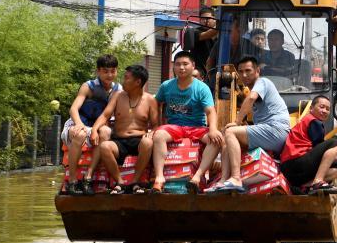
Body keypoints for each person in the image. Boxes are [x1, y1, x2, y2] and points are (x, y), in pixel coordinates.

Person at [197, 56, 292, 193]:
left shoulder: (263, 82)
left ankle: (236, 178)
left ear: (257, 71)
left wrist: (236, 122)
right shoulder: (251, 90)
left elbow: (251, 98)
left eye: (248, 70)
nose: (244, 75)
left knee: (230, 132)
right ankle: (224, 181)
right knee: (226, 143)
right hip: (270, 133)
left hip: (276, 130)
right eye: (241, 72)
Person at [150, 51, 223, 193]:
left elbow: (210, 111)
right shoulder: (166, 86)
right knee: (158, 135)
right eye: (178, 64)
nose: (181, 68)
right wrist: (155, 125)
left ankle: (196, 177)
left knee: (216, 140)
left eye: (185, 64)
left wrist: (213, 128)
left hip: (197, 127)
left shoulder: (202, 88)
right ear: (174, 67)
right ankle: (159, 178)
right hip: (174, 126)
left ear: (193, 66)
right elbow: (155, 104)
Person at [92, 65, 158, 194]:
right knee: (105, 146)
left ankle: (135, 182)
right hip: (119, 140)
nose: (122, 81)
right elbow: (105, 115)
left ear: (138, 82)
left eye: (126, 78)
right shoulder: (118, 95)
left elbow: (156, 124)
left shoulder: (150, 100)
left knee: (148, 142)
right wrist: (94, 130)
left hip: (139, 140)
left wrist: (152, 133)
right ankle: (120, 182)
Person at [63, 54, 120, 195]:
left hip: (97, 126)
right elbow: (73, 109)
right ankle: (72, 181)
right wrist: (79, 124)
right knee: (80, 134)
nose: (109, 75)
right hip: (78, 122)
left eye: (113, 71)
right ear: (98, 71)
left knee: (106, 132)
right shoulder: (88, 86)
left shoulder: (118, 90)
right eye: (105, 71)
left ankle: (88, 177)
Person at [280, 95, 337, 193]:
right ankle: (317, 182)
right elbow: (319, 148)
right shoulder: (313, 121)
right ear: (311, 108)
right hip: (294, 163)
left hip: (294, 171)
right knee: (334, 143)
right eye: (321, 107)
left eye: (328, 109)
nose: (325, 111)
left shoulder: (310, 121)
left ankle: (305, 186)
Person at [187, 6, 218, 78]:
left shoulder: (222, 35)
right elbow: (208, 34)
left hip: (215, 73)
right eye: (202, 19)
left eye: (208, 18)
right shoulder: (195, 32)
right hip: (199, 73)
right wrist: (221, 25)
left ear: (214, 19)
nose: (205, 21)